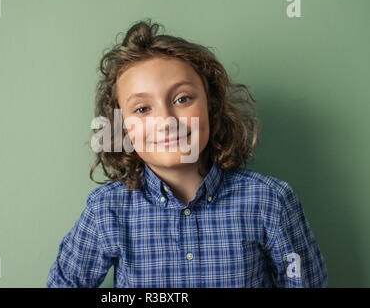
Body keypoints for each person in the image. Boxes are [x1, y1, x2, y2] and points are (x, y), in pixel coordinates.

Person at [46, 18, 328, 287]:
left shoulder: (270, 201)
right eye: (142, 109)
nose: (167, 121)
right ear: (122, 129)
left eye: (182, 99)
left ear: (211, 107)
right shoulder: (106, 210)